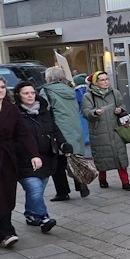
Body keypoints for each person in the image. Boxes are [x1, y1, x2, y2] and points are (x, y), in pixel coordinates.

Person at [0, 74, 40, 248]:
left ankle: (0, 229)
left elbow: (23, 133)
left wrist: (34, 154)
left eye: (2, 87)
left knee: (7, 194)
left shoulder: (11, 109)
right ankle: (6, 232)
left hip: (8, 158)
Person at [14, 82, 70, 233]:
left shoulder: (44, 111)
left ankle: (31, 214)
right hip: (25, 160)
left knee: (36, 192)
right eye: (25, 93)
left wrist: (63, 143)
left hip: (46, 159)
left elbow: (54, 129)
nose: (30, 96)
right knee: (35, 188)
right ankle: (44, 217)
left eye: (32, 93)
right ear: (18, 96)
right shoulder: (14, 114)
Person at [81, 71, 130, 191]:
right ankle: (102, 179)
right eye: (102, 80)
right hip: (99, 132)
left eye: (107, 79)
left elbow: (123, 106)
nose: (106, 82)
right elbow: (85, 112)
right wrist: (94, 112)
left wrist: (120, 110)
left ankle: (125, 182)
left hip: (116, 130)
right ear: (96, 82)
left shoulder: (115, 93)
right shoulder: (88, 96)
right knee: (101, 158)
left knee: (120, 157)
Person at [41, 67, 88, 201]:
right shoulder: (70, 89)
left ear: (48, 77)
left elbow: (45, 110)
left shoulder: (47, 91)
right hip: (74, 128)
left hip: (59, 130)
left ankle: (62, 192)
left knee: (58, 163)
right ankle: (80, 182)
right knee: (75, 157)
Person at [73, 74, 90, 151]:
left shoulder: (77, 92)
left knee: (83, 134)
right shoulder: (89, 90)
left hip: (81, 115)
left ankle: (86, 153)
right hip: (89, 114)